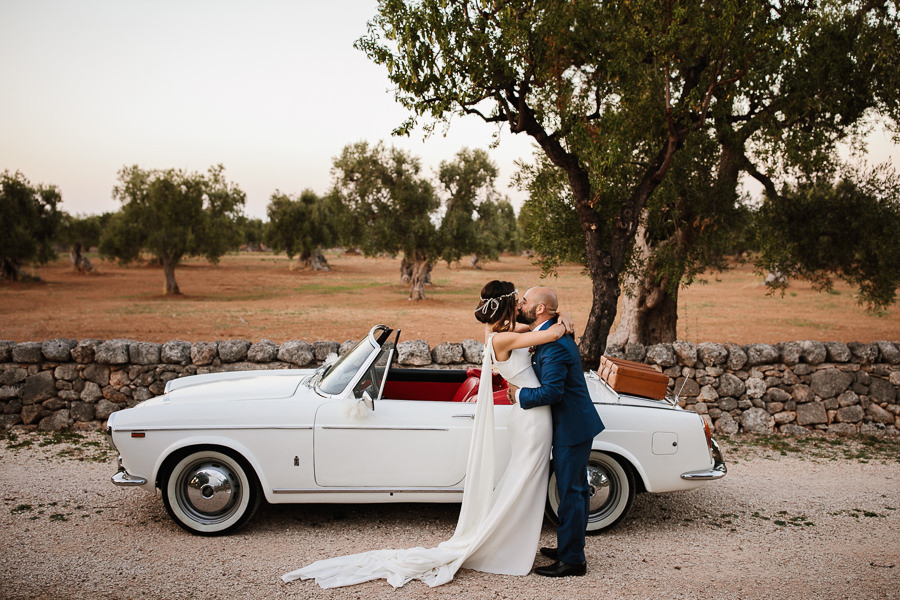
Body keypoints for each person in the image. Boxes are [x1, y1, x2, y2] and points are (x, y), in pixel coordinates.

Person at [281, 280, 568, 588]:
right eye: (519, 301)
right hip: (533, 418)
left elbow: (526, 334)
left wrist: (532, 328)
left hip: (526, 415)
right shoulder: (507, 338)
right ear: (510, 307)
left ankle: (511, 539)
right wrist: (561, 322)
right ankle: (504, 545)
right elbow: (551, 334)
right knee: (523, 481)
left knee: (522, 480)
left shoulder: (497, 335)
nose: (522, 305)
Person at [507, 286, 605, 578]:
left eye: (525, 301)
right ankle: (569, 546)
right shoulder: (549, 332)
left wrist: (518, 395)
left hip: (572, 427)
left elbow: (552, 392)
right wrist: (562, 313)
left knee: (572, 492)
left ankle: (573, 560)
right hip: (568, 425)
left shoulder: (555, 344)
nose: (520, 304)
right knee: (572, 490)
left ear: (539, 309)